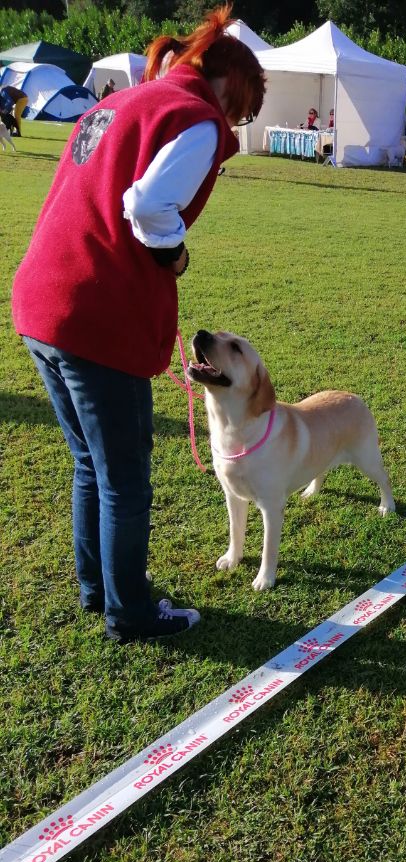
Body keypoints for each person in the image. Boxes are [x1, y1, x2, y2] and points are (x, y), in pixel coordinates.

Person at [11, 5, 266, 642]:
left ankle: (99, 593)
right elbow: (148, 204)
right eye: (246, 107)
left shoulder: (120, 102)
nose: (239, 122)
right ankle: (130, 612)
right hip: (93, 314)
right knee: (124, 474)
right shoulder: (197, 117)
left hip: (41, 301)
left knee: (89, 464)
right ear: (231, 85)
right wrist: (174, 253)